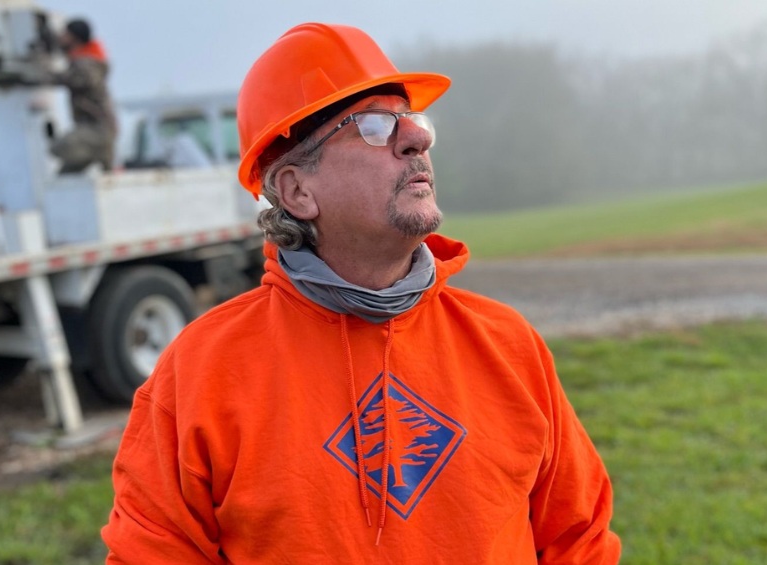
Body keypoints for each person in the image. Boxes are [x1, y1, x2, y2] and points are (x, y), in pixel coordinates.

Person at [102, 22, 621, 564]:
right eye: (374, 125)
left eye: (412, 119)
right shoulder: (202, 373)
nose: (416, 138)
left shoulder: (508, 345)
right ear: (297, 190)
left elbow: (579, 538)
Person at [49, 18, 117, 173]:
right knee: (66, 178)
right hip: (100, 132)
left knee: (59, 147)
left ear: (74, 38)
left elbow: (66, 78)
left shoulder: (86, 65)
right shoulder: (88, 58)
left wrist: (38, 71)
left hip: (95, 132)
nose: (61, 37)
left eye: (65, 34)